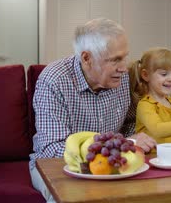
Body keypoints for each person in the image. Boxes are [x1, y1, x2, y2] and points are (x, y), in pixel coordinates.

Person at [29, 18, 156, 202]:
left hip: (109, 162)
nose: (123, 67)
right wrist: (115, 147)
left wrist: (132, 141)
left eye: (125, 57)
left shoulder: (119, 78)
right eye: (115, 60)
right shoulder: (54, 80)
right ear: (87, 58)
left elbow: (130, 122)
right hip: (58, 165)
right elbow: (52, 147)